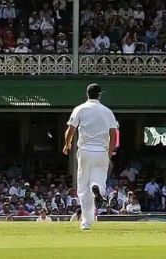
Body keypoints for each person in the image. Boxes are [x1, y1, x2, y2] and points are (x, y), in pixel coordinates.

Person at [62, 83, 119, 231]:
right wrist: (110, 153)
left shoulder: (80, 109)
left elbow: (70, 130)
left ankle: (86, 222)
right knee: (99, 180)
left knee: (83, 189)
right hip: (101, 150)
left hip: (85, 151)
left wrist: (67, 145)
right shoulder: (107, 111)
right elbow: (113, 135)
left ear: (87, 94)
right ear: (99, 95)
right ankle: (98, 188)